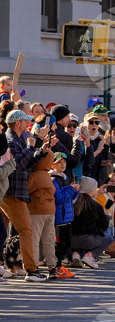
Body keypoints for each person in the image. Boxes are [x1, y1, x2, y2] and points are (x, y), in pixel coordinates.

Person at [3, 109, 46, 281]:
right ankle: (32, 270)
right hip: (12, 192)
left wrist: (40, 152)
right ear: (18, 123)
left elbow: (26, 162)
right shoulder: (10, 139)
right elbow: (18, 164)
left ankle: (9, 266)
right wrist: (30, 147)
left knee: (3, 232)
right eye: (26, 121)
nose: (29, 123)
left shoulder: (18, 138)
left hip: (14, 191)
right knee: (26, 231)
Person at [70, 177, 115, 269]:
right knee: (109, 236)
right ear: (91, 189)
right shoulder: (95, 206)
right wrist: (106, 216)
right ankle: (91, 256)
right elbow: (103, 226)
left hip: (71, 239)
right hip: (87, 239)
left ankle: (76, 253)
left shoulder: (74, 202)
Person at [27, 150, 59, 279]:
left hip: (36, 210)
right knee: (49, 240)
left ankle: (34, 266)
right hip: (50, 211)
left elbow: (27, 189)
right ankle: (52, 267)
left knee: (34, 240)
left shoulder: (36, 175)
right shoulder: (47, 175)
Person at [49, 153, 78, 276]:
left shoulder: (65, 178)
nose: (62, 165)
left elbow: (70, 198)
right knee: (59, 244)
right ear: (53, 165)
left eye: (64, 162)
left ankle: (60, 265)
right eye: (59, 162)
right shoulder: (53, 180)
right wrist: (71, 189)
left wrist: (76, 190)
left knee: (67, 243)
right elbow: (59, 198)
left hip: (67, 217)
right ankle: (57, 266)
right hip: (59, 218)